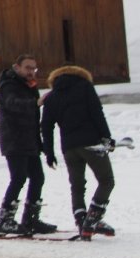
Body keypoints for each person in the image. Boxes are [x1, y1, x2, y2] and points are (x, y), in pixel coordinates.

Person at [41, 65, 116, 241]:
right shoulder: (85, 87)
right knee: (106, 181)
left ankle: (82, 221)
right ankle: (92, 220)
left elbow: (46, 126)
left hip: (69, 148)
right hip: (91, 144)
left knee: (77, 185)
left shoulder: (52, 96)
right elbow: (97, 113)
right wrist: (107, 137)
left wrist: (49, 153)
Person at [0, 54, 58, 236]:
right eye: (28, 68)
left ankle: (31, 219)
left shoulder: (28, 85)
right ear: (17, 67)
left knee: (37, 177)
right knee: (18, 178)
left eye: (34, 68)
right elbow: (13, 104)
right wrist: (35, 103)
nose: (31, 71)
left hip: (30, 140)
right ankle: (5, 220)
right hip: (14, 139)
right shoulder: (8, 84)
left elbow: (33, 117)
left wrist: (40, 141)